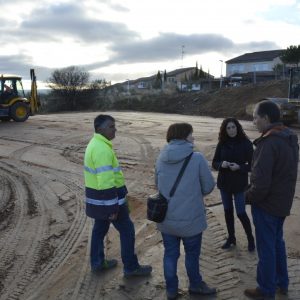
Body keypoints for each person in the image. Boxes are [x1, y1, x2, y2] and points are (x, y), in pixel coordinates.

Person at [83, 114, 152, 277]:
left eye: (114, 126)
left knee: (99, 230)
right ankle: (131, 267)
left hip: (99, 201)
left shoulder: (96, 144)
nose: (115, 129)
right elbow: (106, 182)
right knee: (127, 230)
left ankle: (97, 263)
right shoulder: (101, 149)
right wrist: (112, 208)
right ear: (100, 129)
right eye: (111, 127)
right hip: (111, 201)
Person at [155, 123, 216, 300]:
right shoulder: (196, 158)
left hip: (167, 219)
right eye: (191, 134)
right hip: (191, 219)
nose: (194, 137)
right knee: (192, 255)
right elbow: (209, 186)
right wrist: (193, 194)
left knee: (170, 254)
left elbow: (158, 185)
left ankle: (171, 290)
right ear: (184, 136)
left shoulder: (161, 157)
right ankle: (196, 285)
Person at [244, 100, 298, 300]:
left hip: (267, 205)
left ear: (266, 118)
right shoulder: (289, 138)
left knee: (267, 249)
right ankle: (281, 283)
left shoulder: (268, 143)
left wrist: (246, 197)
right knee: (277, 244)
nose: (254, 121)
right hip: (282, 203)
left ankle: (266, 290)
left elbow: (260, 185)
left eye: (256, 117)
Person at [212, 118, 255, 252]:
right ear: (225, 130)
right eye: (228, 128)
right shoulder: (222, 143)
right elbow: (214, 162)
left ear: (238, 128)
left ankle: (250, 238)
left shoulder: (246, 143)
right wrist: (221, 165)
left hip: (239, 184)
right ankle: (231, 238)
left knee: (241, 212)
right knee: (228, 212)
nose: (231, 130)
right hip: (224, 183)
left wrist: (240, 167)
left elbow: (253, 165)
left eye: (233, 127)